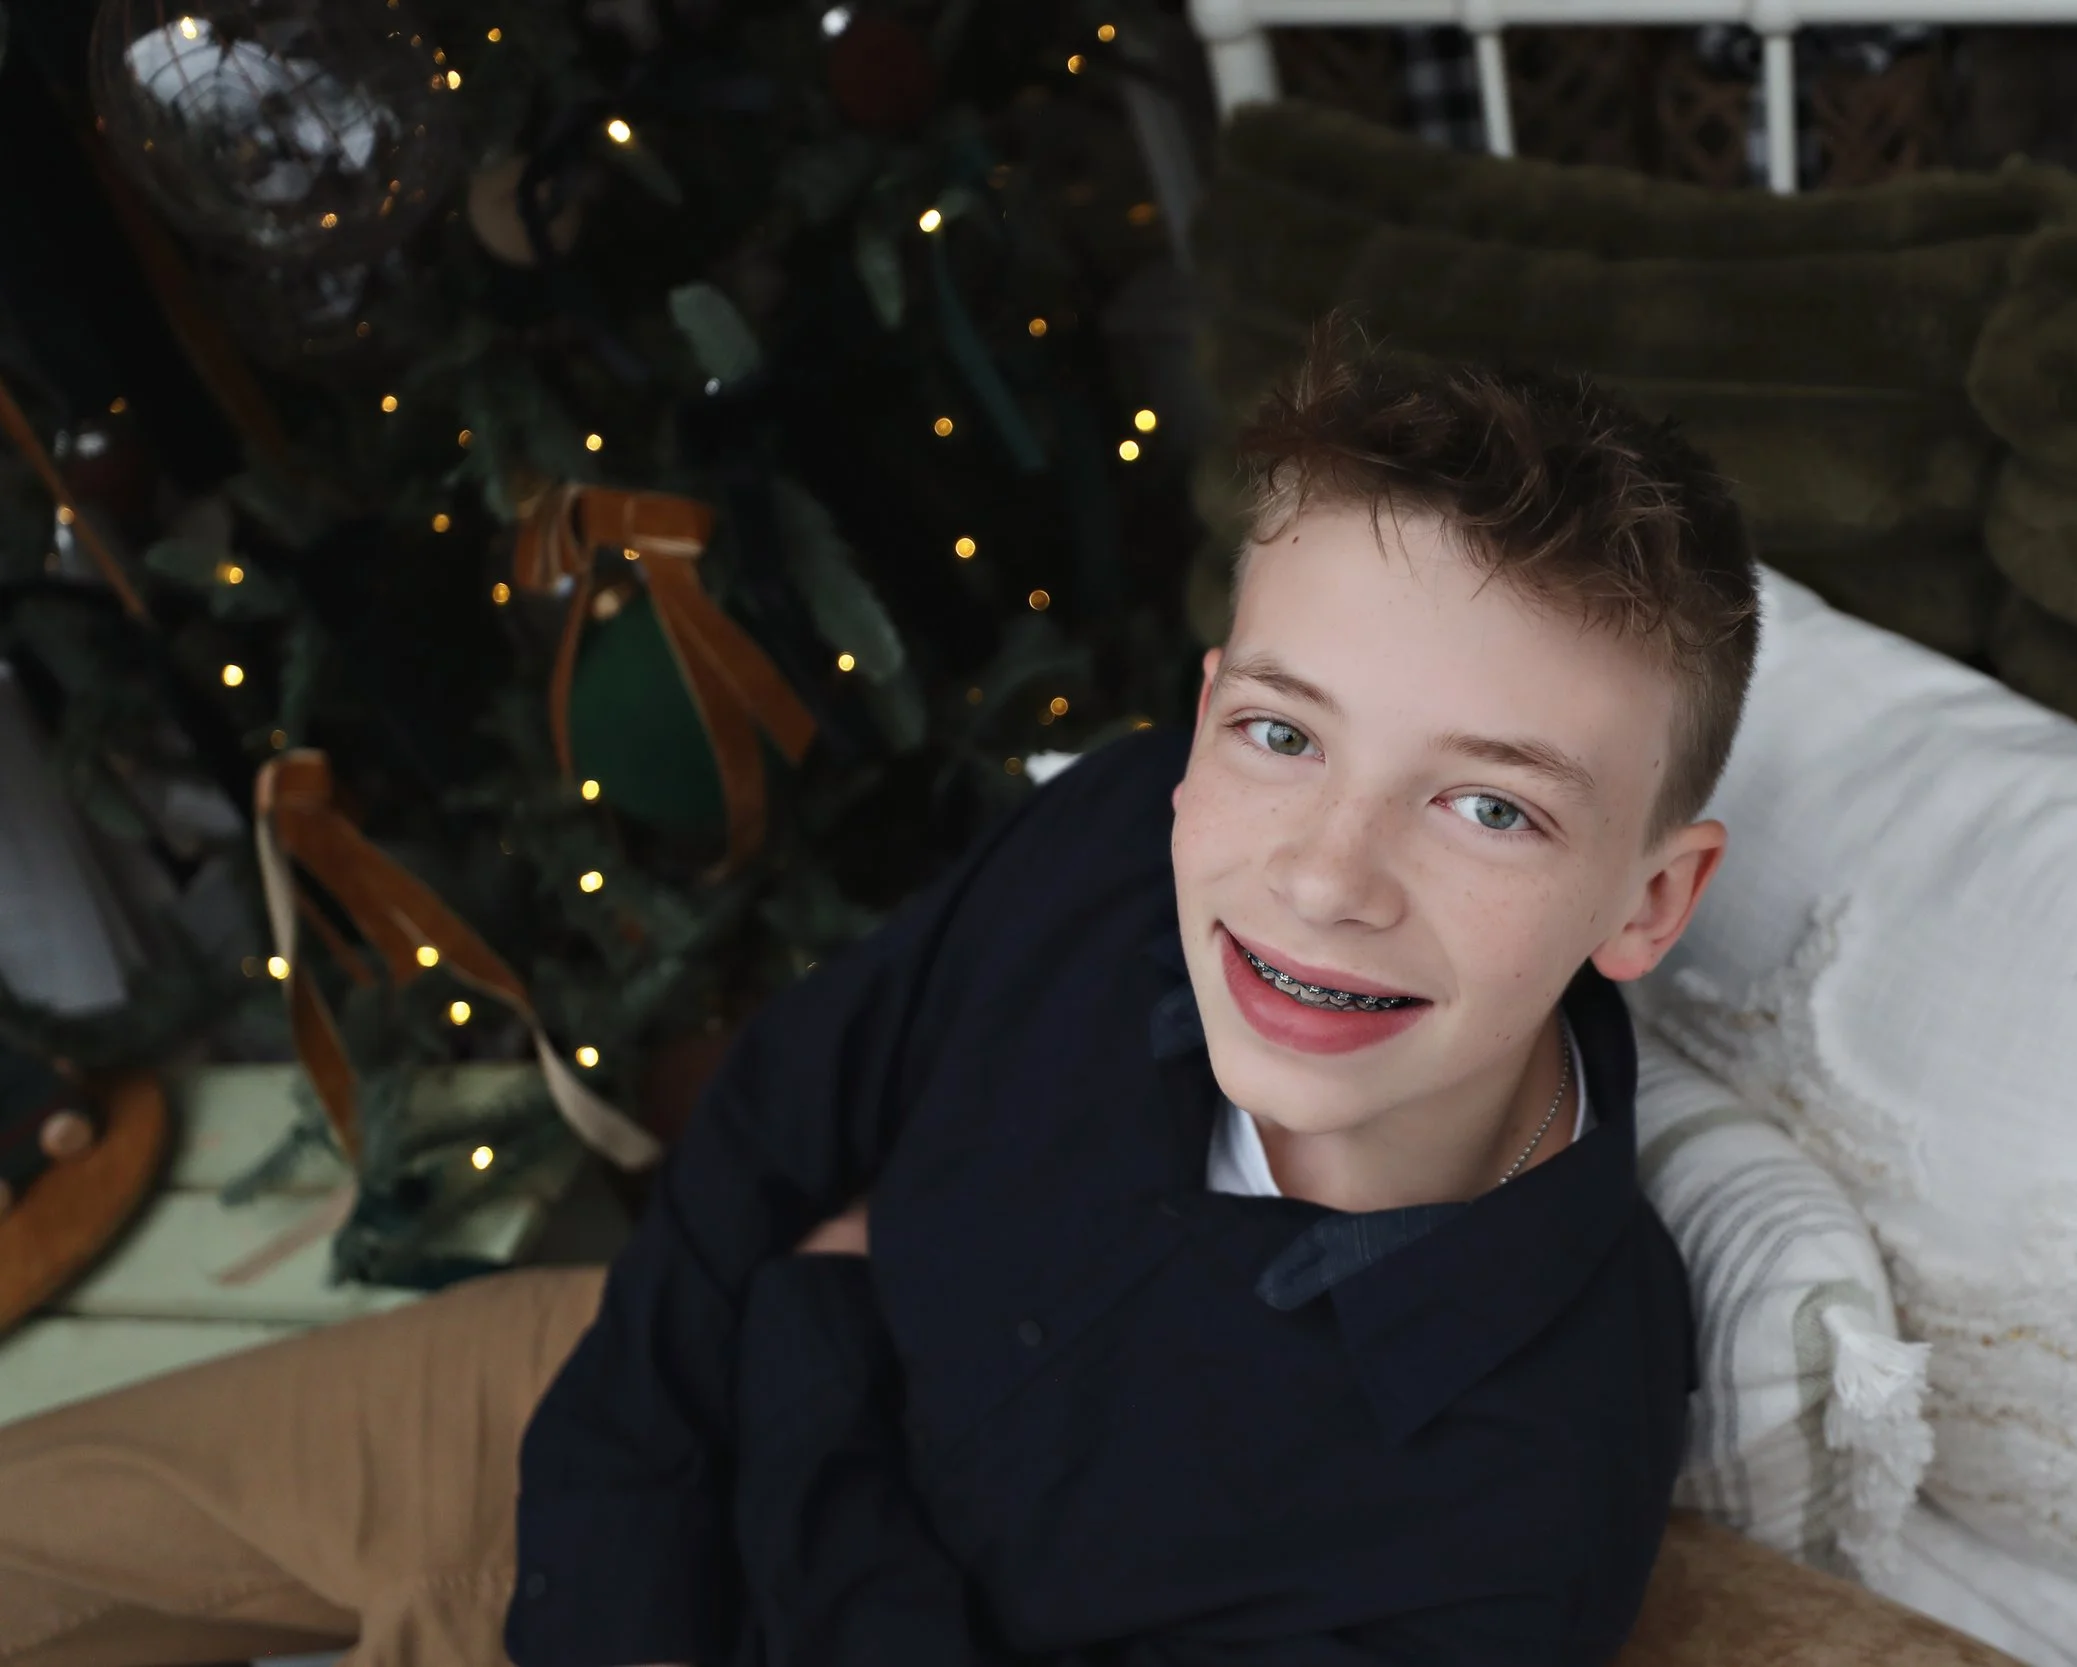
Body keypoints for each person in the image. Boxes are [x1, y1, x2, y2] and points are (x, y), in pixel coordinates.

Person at [0, 326, 1761, 1667]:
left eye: (1491, 805)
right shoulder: (1113, 846)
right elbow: (775, 1120)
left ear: (1650, 899)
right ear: (1212, 710)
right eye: (1283, 734)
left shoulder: (1511, 1509)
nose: (1323, 872)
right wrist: (620, 1553)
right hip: (624, 1402)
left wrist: (820, 1352)